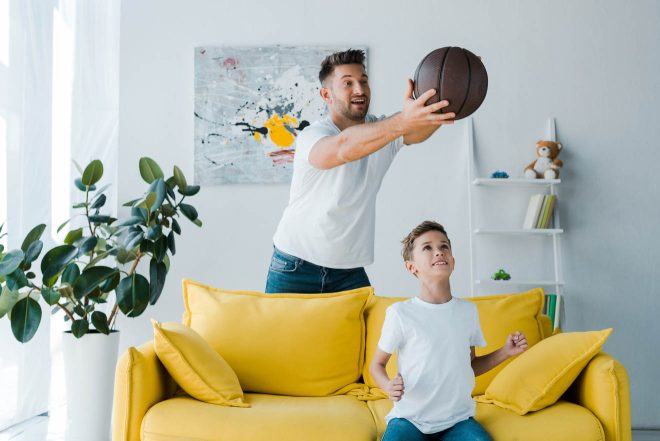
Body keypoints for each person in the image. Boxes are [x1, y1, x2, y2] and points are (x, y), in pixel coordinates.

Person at [266, 49, 455, 294]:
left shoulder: (384, 131)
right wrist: (403, 121)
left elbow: (417, 129)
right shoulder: (313, 135)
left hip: (348, 271)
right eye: (348, 83)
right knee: (284, 335)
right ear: (326, 94)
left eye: (363, 81)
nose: (359, 89)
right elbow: (342, 148)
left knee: (363, 335)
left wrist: (452, 94)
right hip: (295, 265)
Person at [370, 221, 528, 441]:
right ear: (411, 266)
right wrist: (388, 386)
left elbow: (470, 365)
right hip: (409, 420)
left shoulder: (467, 311)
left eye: (444, 247)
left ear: (452, 261)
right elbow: (376, 365)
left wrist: (505, 352)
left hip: (458, 421)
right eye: (427, 248)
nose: (438, 252)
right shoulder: (400, 313)